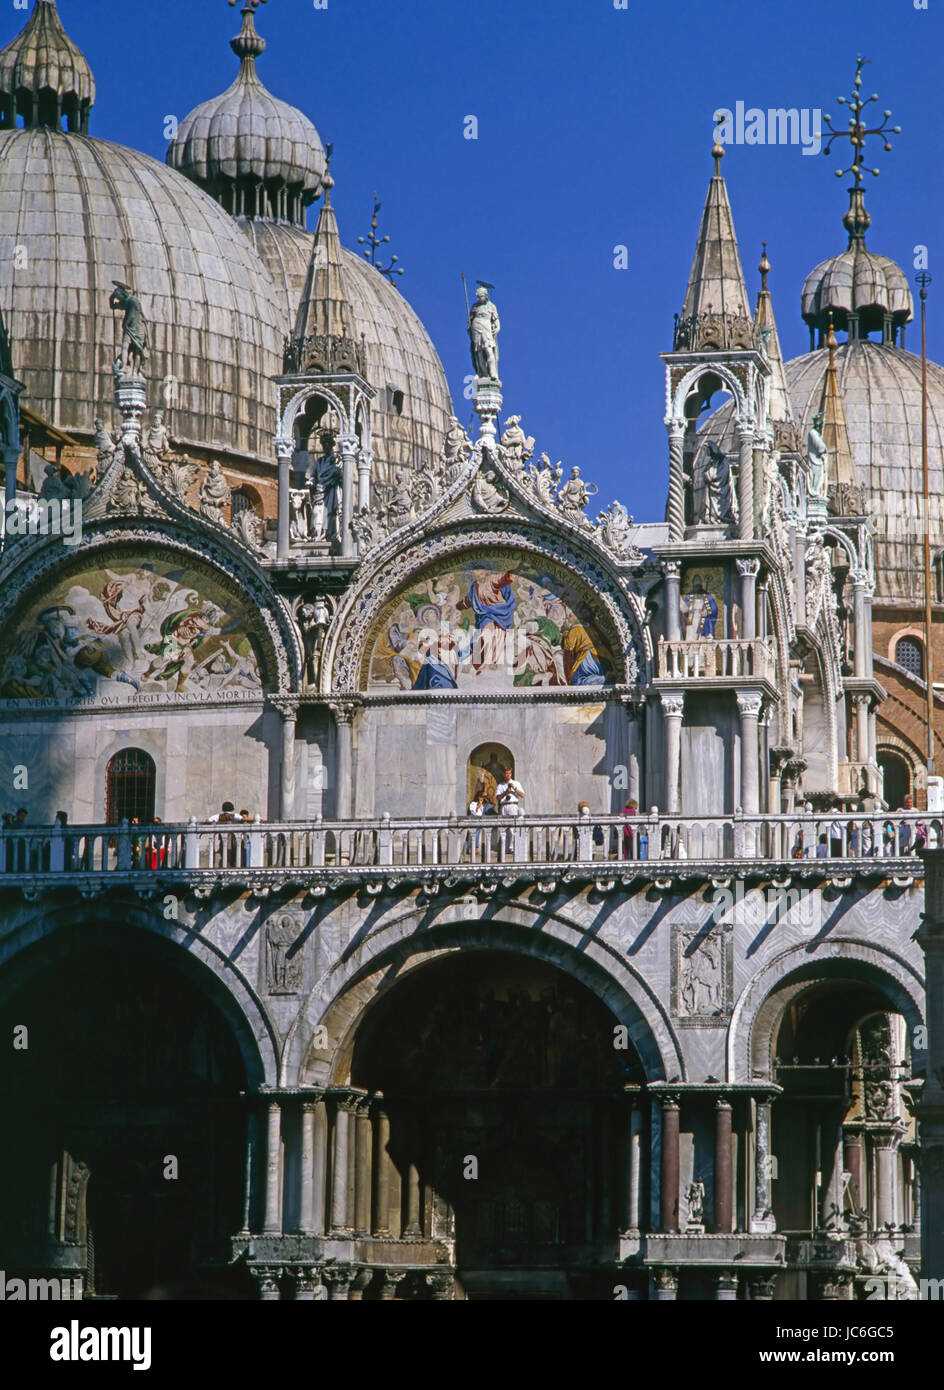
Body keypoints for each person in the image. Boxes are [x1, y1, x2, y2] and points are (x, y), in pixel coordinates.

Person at [494, 766, 524, 854]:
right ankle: (505, 848)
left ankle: (512, 848)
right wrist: (506, 792)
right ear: (504, 774)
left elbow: (522, 795)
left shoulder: (516, 783)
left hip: (513, 805)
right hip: (504, 806)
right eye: (506, 773)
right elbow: (498, 797)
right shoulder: (500, 785)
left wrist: (514, 788)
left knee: (512, 828)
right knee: (503, 827)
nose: (508, 775)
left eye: (509, 773)